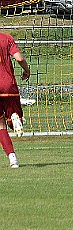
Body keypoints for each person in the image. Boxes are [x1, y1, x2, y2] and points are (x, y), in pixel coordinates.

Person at [0, 32, 30, 168]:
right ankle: (14, 118)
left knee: (0, 126)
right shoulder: (6, 38)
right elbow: (19, 58)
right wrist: (27, 70)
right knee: (14, 119)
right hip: (7, 85)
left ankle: (13, 159)